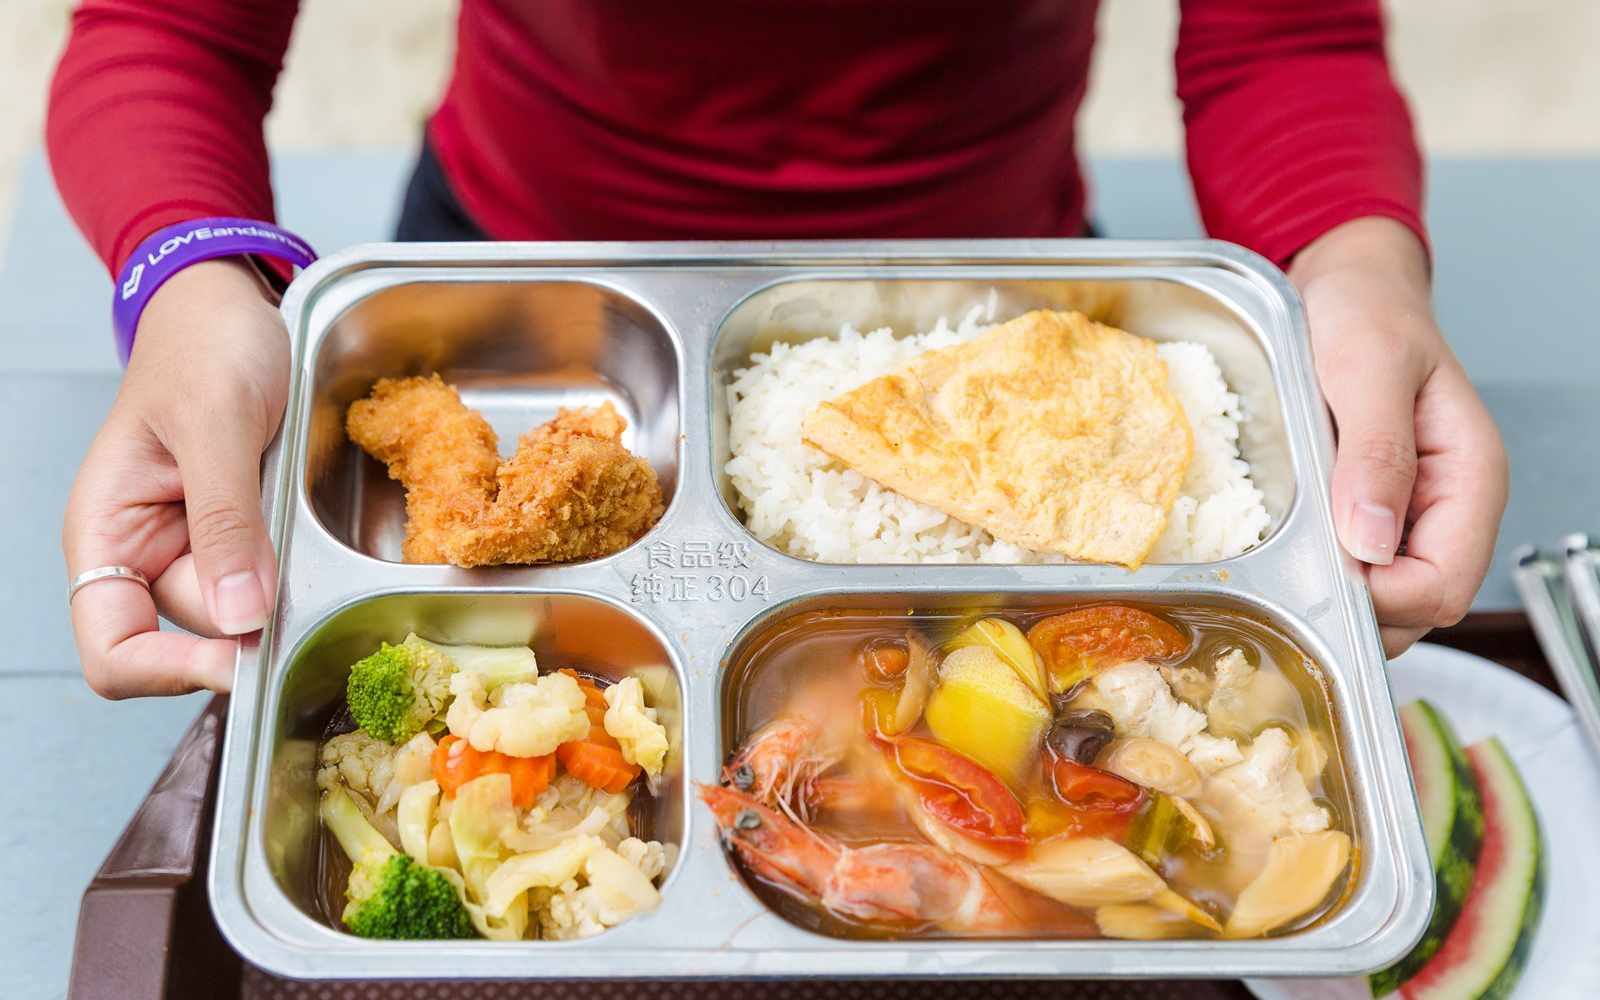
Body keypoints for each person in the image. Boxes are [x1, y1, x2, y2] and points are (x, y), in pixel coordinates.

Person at [47, 0, 1507, 699]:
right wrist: (185, 279)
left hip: (1005, 309)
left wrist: (1358, 262)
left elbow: (1283, 41)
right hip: (510, 276)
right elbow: (165, 33)